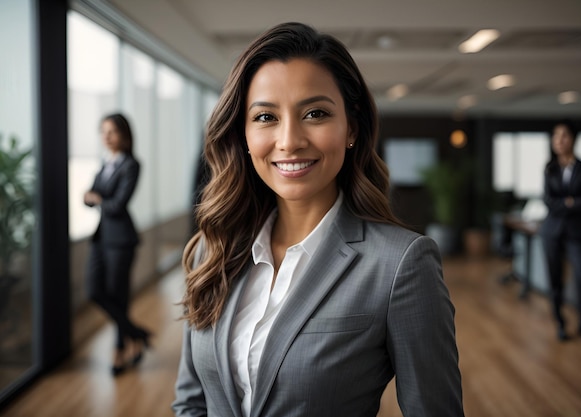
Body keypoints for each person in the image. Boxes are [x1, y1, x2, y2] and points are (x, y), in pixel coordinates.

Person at [172, 22, 464, 417]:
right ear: (242, 133)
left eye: (315, 113)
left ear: (352, 129)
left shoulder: (400, 265)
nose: (289, 140)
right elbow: (191, 403)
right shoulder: (213, 248)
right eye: (265, 117)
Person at [84, 113, 151, 376]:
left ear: (124, 134)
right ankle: (137, 334)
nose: (106, 137)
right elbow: (89, 197)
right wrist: (96, 199)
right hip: (101, 238)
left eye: (111, 131)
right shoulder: (106, 163)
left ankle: (120, 349)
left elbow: (117, 204)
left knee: (118, 296)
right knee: (94, 291)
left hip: (121, 240)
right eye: (102, 131)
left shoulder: (131, 165)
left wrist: (98, 199)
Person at [540, 119, 581, 344]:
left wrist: (565, 203)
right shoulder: (549, 168)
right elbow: (548, 201)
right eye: (556, 137)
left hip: (576, 232)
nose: (559, 141)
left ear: (573, 139)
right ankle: (561, 323)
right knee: (555, 280)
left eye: (563, 136)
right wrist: (571, 202)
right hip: (552, 231)